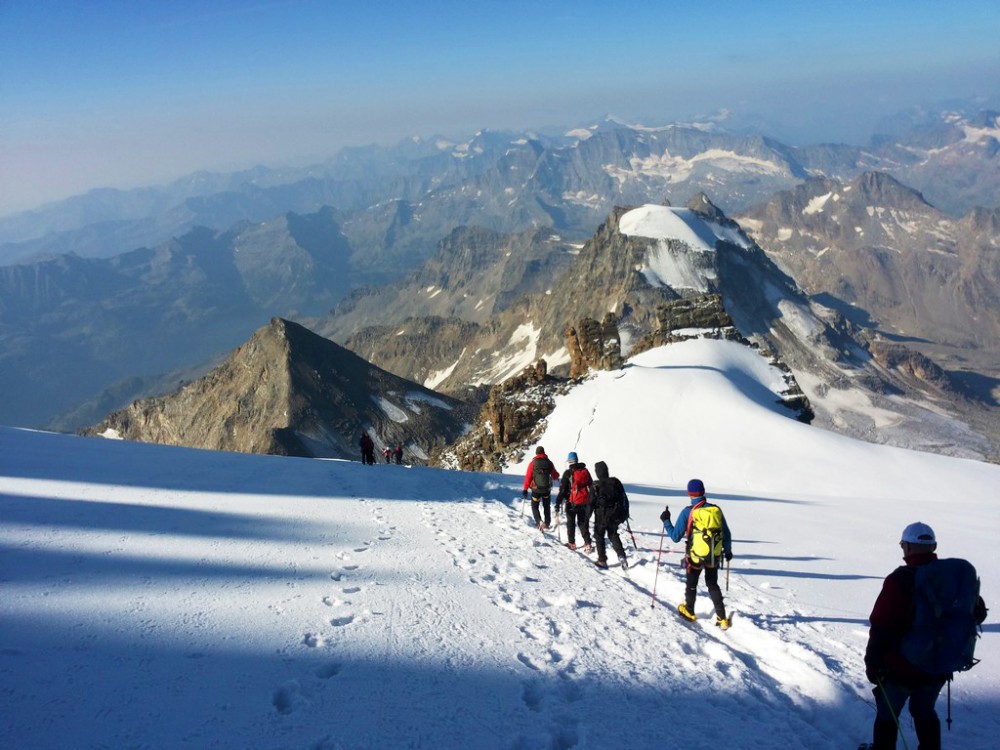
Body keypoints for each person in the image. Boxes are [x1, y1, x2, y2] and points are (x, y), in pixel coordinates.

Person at [863, 522, 988, 750]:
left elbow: (882, 625)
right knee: (924, 711)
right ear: (934, 546)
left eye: (903, 545)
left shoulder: (899, 580)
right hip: (939, 663)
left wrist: (873, 663)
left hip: (901, 666)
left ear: (908, 547)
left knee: (887, 714)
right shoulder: (952, 578)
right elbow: (976, 612)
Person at [660, 479, 732, 628]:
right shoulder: (715, 510)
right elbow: (726, 533)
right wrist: (728, 551)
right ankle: (722, 618)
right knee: (712, 583)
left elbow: (675, 537)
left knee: (691, 584)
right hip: (714, 554)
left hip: (695, 556)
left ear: (689, 493)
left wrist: (666, 521)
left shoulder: (688, 512)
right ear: (703, 491)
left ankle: (689, 611)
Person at [591, 460, 628, 569]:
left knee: (599, 536)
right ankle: (621, 555)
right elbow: (623, 497)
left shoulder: (596, 485)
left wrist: (586, 517)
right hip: (614, 515)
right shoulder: (615, 482)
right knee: (613, 534)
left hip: (601, 516)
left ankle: (602, 560)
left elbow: (590, 502)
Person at [556, 451, 593, 552]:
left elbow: (563, 490)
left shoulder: (568, 473)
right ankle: (588, 543)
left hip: (571, 502)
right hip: (584, 501)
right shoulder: (585, 471)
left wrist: (558, 503)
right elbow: (591, 485)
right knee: (582, 523)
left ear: (569, 461)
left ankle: (571, 543)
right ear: (577, 460)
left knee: (571, 523)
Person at [522, 446, 560, 530]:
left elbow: (528, 477)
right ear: (544, 452)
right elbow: (555, 475)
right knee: (546, 506)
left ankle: (539, 521)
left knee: (534, 506)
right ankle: (547, 523)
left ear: (536, 453)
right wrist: (557, 475)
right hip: (546, 489)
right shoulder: (549, 463)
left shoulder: (533, 463)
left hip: (536, 490)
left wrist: (525, 489)